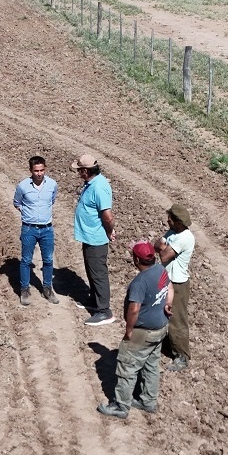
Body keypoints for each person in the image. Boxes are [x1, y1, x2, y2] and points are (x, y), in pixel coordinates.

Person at [97, 242, 171, 419]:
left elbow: (134, 309)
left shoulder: (140, 282)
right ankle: (148, 401)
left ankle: (121, 406)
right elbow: (170, 287)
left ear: (136, 259)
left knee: (127, 367)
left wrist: (129, 330)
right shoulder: (161, 270)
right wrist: (168, 303)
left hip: (143, 332)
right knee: (151, 365)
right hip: (161, 327)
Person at [72, 153, 115, 326]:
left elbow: (108, 216)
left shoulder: (99, 187)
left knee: (98, 274)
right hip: (89, 236)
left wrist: (109, 231)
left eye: (79, 170)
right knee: (91, 271)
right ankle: (95, 301)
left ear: (85, 171)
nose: (78, 173)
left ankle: (105, 311)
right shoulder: (91, 183)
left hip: (96, 239)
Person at [154, 203, 196, 372]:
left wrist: (163, 247)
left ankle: (182, 356)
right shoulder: (172, 232)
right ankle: (168, 344)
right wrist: (163, 247)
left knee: (177, 319)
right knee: (163, 314)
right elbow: (157, 245)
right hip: (166, 279)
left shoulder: (184, 237)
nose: (167, 221)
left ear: (178, 222)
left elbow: (163, 256)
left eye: (170, 219)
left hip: (177, 284)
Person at [12, 155, 58, 306]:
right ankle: (24, 290)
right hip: (29, 228)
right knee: (26, 260)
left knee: (48, 260)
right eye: (36, 171)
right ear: (31, 170)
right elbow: (17, 202)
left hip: (47, 229)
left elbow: (52, 200)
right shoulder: (23, 186)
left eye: (42, 170)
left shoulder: (52, 184)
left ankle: (47, 289)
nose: (39, 173)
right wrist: (26, 213)